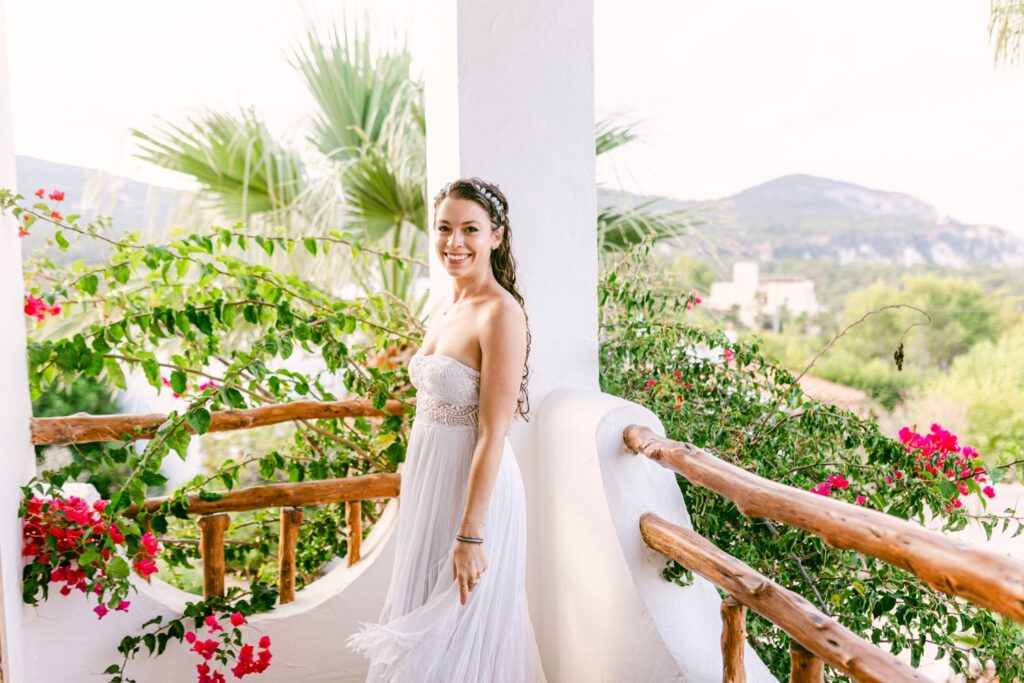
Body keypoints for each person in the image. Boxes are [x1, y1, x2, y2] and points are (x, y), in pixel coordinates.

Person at [347, 178, 547, 682]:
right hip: (430, 484)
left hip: (473, 496)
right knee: (421, 609)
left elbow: (492, 433)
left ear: (496, 237)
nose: (454, 242)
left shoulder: (501, 314)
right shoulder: (445, 306)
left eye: (470, 230)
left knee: (455, 633)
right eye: (444, 228)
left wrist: (470, 535)